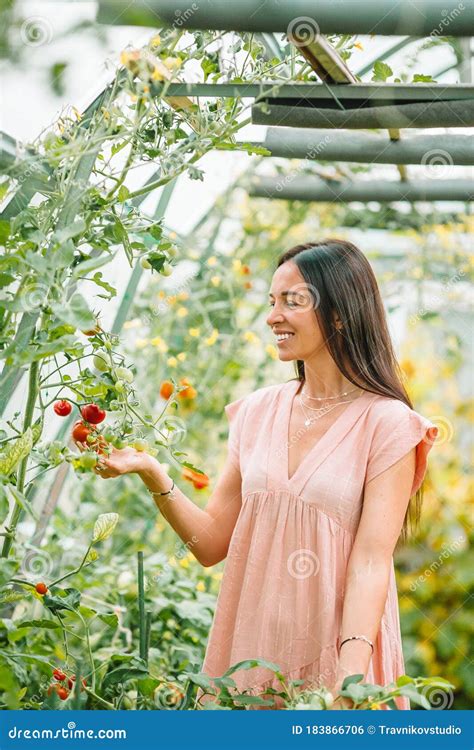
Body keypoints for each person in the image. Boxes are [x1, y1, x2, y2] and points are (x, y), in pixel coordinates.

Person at [78, 239, 438, 710]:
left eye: (293, 301)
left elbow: (371, 563)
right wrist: (151, 471)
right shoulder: (256, 413)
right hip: (252, 663)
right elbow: (208, 545)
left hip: (341, 668)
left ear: (339, 314)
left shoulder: (387, 424)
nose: (273, 317)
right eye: (272, 302)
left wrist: (348, 686)